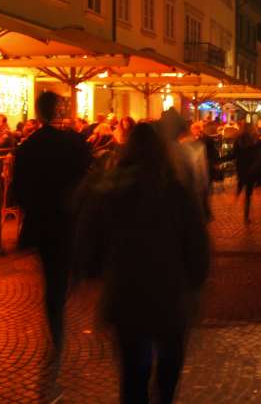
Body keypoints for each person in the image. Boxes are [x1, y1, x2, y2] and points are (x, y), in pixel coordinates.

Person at [77, 123, 209, 404]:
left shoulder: (110, 190)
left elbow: (88, 247)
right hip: (170, 296)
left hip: (127, 297)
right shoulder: (176, 191)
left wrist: (98, 272)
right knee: (167, 374)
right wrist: (194, 282)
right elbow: (197, 247)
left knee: (133, 377)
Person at [13, 92, 91, 367]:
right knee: (66, 263)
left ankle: (56, 323)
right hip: (71, 216)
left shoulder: (26, 148)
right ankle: (74, 279)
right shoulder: (74, 142)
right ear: (57, 111)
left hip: (44, 221)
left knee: (52, 275)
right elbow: (87, 176)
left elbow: (18, 192)